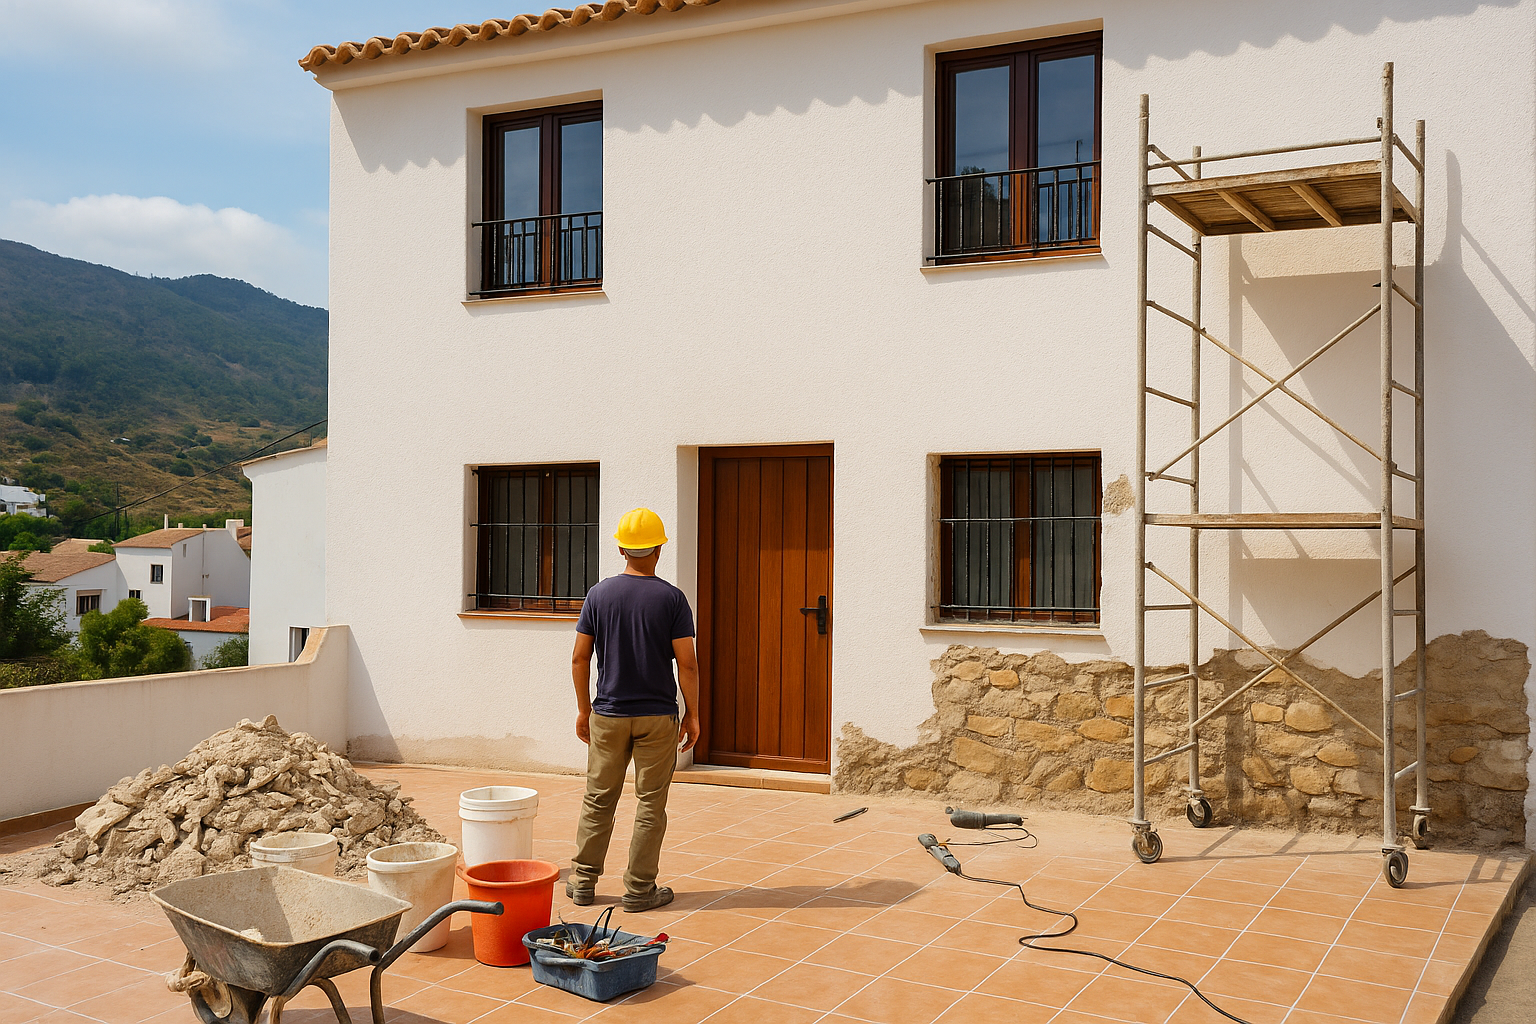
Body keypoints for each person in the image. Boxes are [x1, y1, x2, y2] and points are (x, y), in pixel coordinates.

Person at [568, 507, 700, 911]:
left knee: (598, 798)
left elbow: (579, 658)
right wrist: (693, 714)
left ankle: (583, 882)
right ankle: (640, 889)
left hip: (608, 714)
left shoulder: (598, 595)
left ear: (622, 549)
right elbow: (687, 664)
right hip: (657, 717)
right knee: (650, 804)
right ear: (659, 548)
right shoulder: (672, 599)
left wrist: (584, 710)